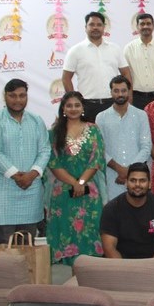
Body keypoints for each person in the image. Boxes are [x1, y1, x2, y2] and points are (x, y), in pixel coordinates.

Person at [0, 79, 50, 246]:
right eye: (12, 96)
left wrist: (31, 175)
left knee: (28, 244)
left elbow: (45, 150)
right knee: (4, 245)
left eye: (22, 95)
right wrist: (17, 176)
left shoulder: (36, 120)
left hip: (31, 191)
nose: (17, 100)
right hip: (2, 192)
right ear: (4, 96)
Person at [45, 91, 107, 264]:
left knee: (90, 232)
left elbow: (96, 159)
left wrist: (80, 182)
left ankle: (89, 272)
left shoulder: (93, 129)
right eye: (69, 105)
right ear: (63, 109)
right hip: (63, 192)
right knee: (65, 231)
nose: (73, 109)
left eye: (77, 105)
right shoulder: (54, 132)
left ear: (83, 108)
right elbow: (54, 163)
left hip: (89, 191)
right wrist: (74, 183)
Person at [62, 11, 131, 121]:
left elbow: (126, 73)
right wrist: (75, 101)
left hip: (112, 104)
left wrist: (128, 99)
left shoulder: (115, 49)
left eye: (99, 25)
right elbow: (66, 78)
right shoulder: (75, 51)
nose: (95, 27)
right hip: (87, 105)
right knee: (89, 133)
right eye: (91, 24)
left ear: (104, 28)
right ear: (85, 27)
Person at [95, 75, 151, 203]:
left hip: (138, 177)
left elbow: (146, 147)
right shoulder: (101, 117)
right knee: (114, 211)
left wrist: (129, 171)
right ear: (111, 92)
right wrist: (119, 170)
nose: (120, 94)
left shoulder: (141, 115)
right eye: (116, 91)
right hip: (112, 175)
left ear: (129, 91)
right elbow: (99, 149)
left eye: (123, 90)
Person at [100, 162, 154, 259]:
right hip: (122, 263)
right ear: (126, 183)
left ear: (149, 184)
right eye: (133, 180)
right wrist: (123, 267)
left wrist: (151, 267)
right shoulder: (112, 208)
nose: (137, 184)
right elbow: (109, 248)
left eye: (142, 181)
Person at [124, 13, 154, 109]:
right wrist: (129, 95)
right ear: (137, 27)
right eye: (142, 24)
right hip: (136, 97)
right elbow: (125, 75)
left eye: (148, 24)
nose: (145, 26)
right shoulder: (129, 48)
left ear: (153, 26)